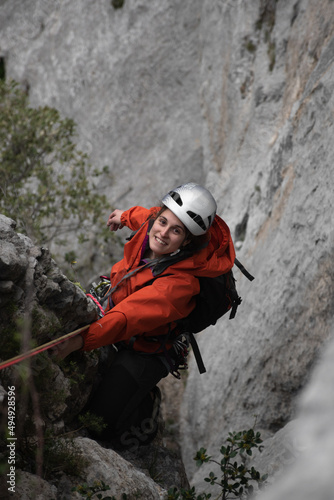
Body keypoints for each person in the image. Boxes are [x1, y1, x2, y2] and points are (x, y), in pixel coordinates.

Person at [56, 182, 235, 449]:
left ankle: (146, 404)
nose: (163, 234)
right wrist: (123, 216)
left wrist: (79, 341)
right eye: (162, 222)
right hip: (119, 298)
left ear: (187, 241)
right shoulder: (153, 225)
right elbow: (145, 216)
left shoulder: (181, 285)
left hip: (147, 349)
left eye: (176, 231)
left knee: (99, 425)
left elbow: (129, 316)